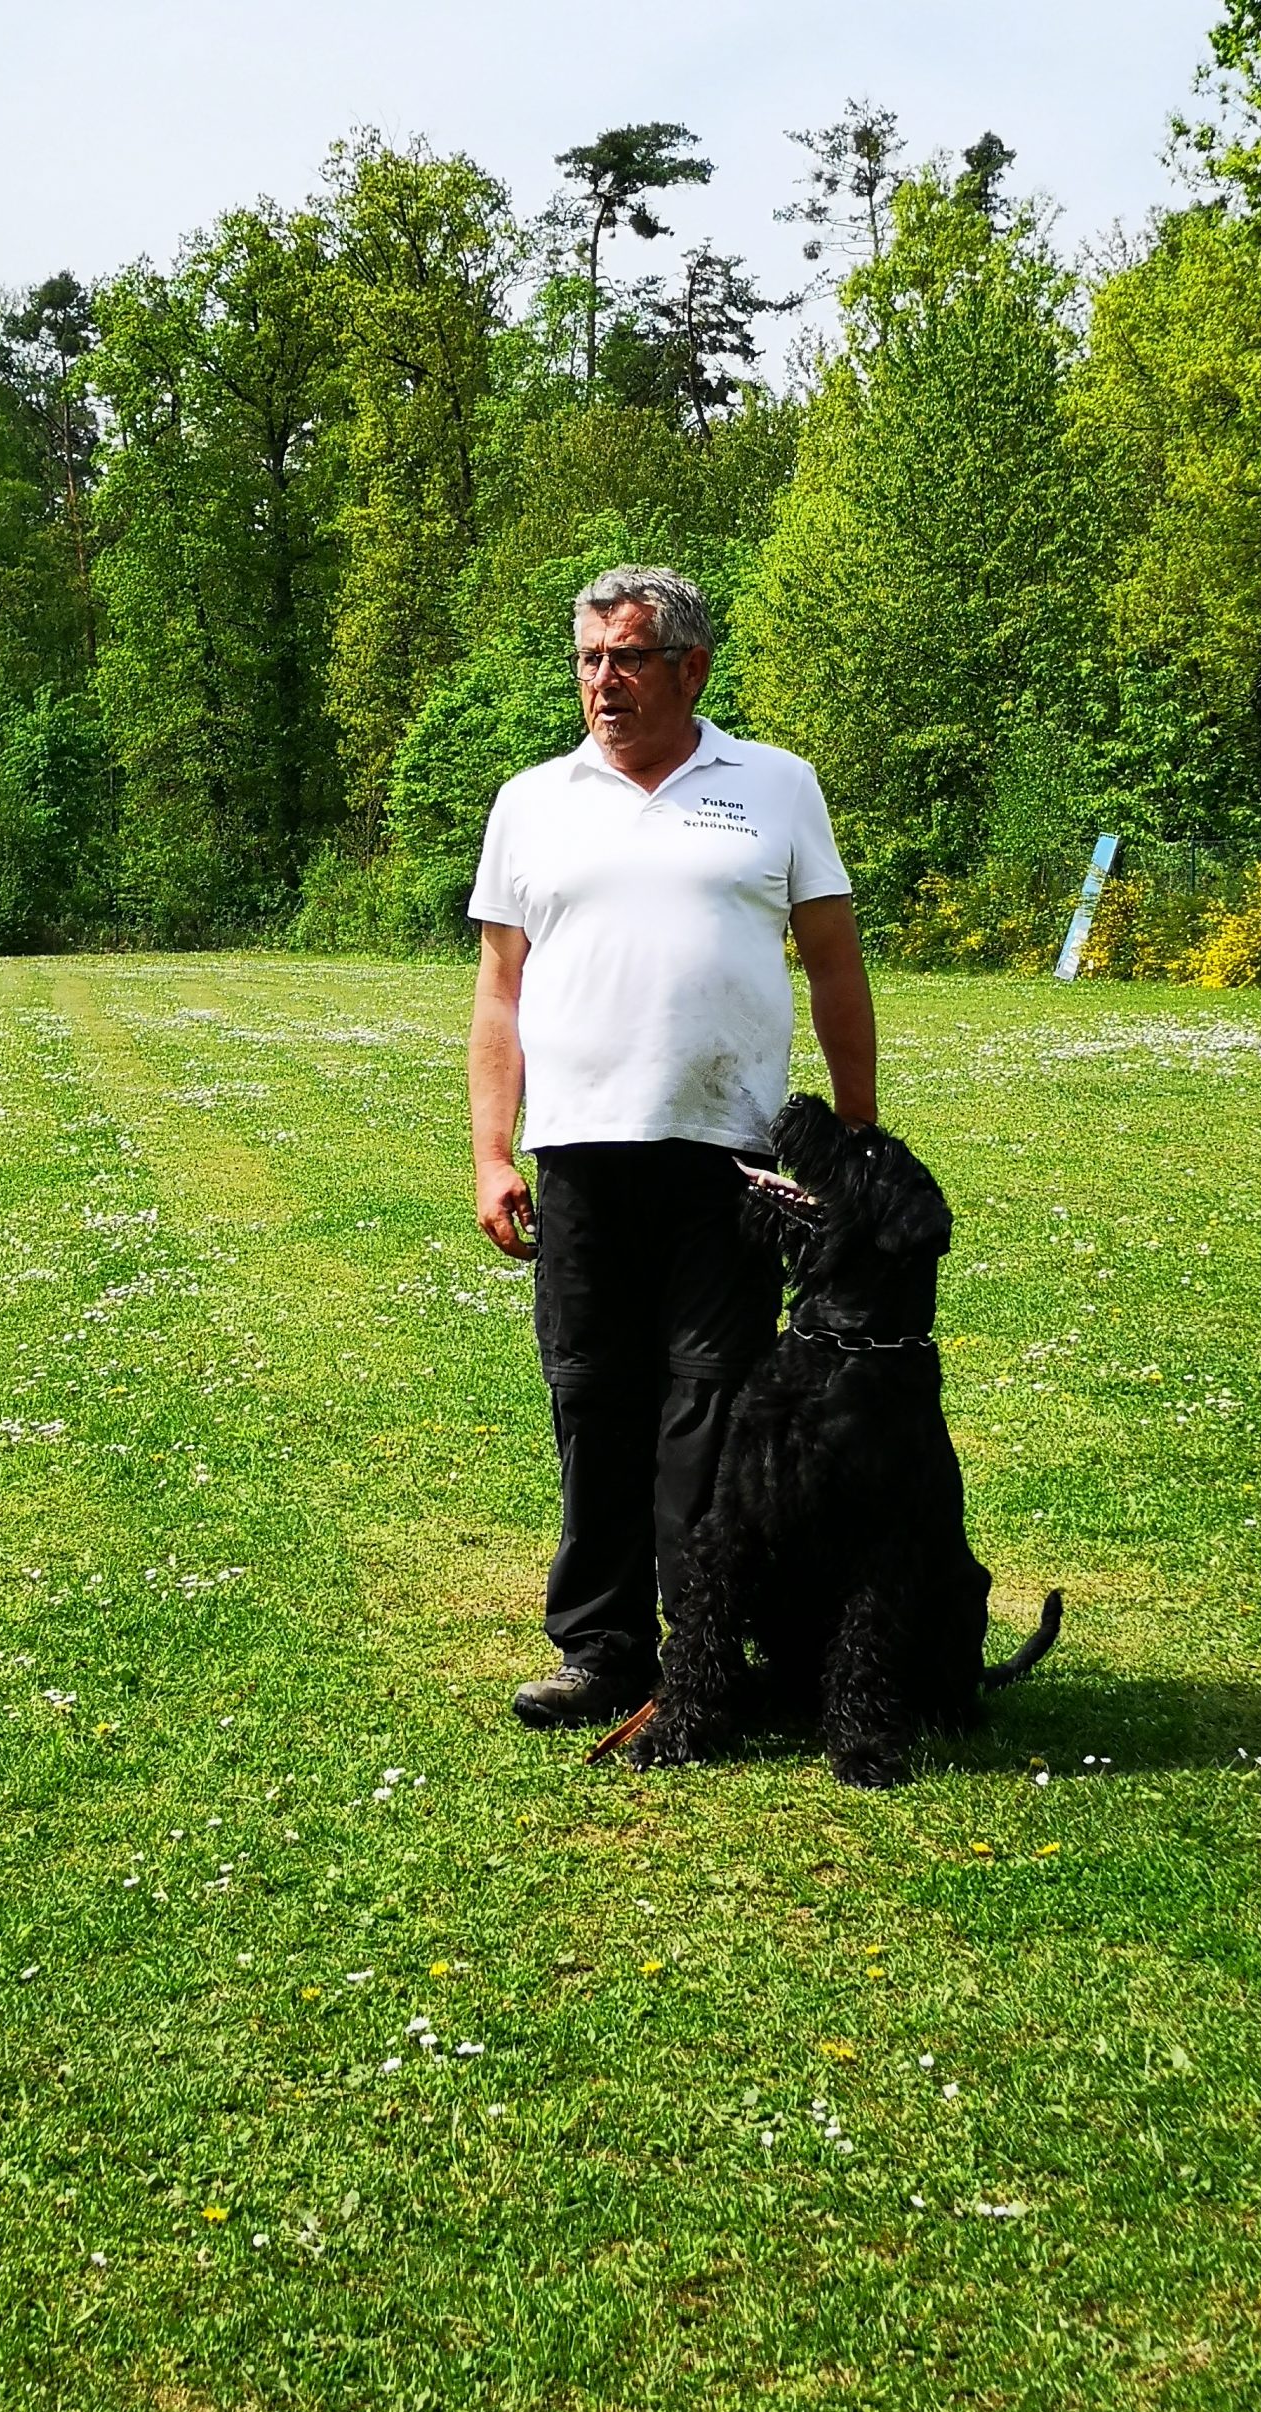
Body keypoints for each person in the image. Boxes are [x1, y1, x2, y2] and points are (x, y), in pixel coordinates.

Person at [466, 564, 879, 1728]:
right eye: (590, 659)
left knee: (713, 1407)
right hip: (581, 1159)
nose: (605, 682)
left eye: (629, 658)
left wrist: (851, 1145)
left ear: (691, 667)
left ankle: (708, 1659)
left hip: (729, 1159)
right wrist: (493, 1153)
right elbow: (500, 992)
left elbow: (837, 967)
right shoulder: (531, 801)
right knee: (594, 1402)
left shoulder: (778, 787)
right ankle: (602, 1651)